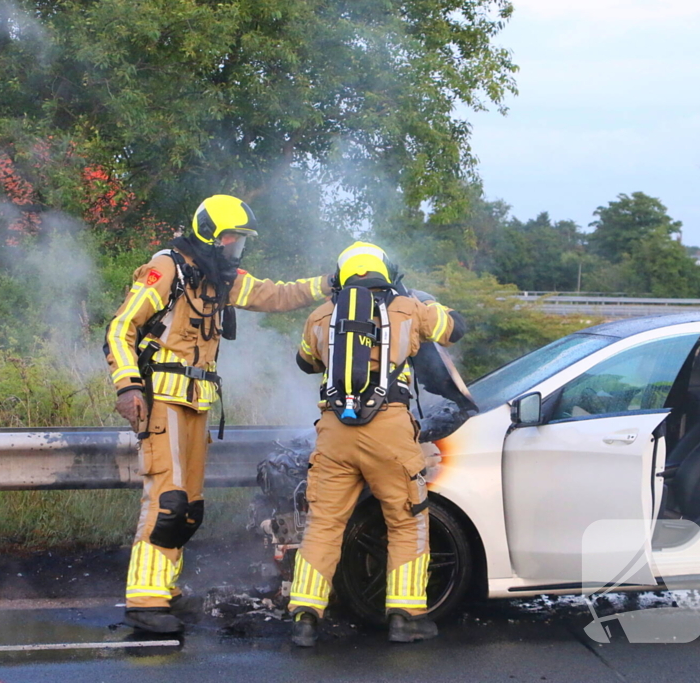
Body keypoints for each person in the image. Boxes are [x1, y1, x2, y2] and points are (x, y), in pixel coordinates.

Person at [105, 194, 330, 635]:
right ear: (209, 234)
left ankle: (165, 591)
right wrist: (128, 385)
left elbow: (276, 295)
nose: (234, 249)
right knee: (166, 502)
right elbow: (120, 327)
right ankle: (145, 602)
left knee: (188, 508)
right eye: (230, 239)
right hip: (161, 400)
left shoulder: (219, 278)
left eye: (239, 242)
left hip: (196, 403)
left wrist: (326, 283)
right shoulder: (166, 268)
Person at [287, 241, 466, 646]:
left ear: (341, 276)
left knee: (324, 525)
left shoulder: (320, 316)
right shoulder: (407, 308)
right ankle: (405, 617)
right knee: (405, 519)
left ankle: (304, 616)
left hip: (334, 432)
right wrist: (417, 298)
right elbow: (455, 328)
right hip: (389, 428)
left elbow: (304, 361)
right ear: (387, 272)